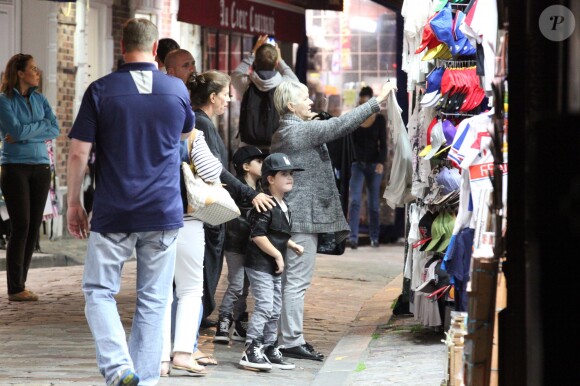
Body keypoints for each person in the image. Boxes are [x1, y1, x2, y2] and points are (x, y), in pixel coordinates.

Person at [66, 18, 195, 386]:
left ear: (121, 48)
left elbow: (78, 153)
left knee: (98, 291)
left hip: (114, 209)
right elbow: (187, 134)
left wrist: (74, 202)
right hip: (163, 210)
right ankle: (146, 378)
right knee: (155, 299)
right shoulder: (176, 90)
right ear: (156, 50)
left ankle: (120, 368)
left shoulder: (101, 90)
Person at [270, 80, 396, 361]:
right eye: (305, 98)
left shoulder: (290, 129)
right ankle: (290, 340)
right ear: (291, 105)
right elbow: (339, 126)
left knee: (291, 281)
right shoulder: (297, 131)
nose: (311, 102)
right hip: (301, 217)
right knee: (296, 282)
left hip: (298, 215)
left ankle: (287, 337)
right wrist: (378, 100)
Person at [188, 70, 275, 364]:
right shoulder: (201, 124)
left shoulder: (201, 123)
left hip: (207, 214)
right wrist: (250, 194)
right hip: (206, 214)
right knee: (200, 284)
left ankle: (187, 343)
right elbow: (214, 171)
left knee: (199, 283)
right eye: (226, 94)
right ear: (212, 98)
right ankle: (186, 345)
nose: (229, 99)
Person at [160, 124, 222, 377]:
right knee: (190, 288)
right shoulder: (191, 135)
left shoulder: (143, 128)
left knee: (158, 291)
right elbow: (211, 170)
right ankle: (183, 353)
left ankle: (160, 359)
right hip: (187, 217)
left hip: (152, 218)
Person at [0, 53, 60, 302]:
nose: (38, 72)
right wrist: (37, 129)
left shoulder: (41, 99)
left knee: (33, 227)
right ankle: (15, 287)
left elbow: (54, 128)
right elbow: (13, 130)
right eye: (33, 68)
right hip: (15, 167)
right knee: (21, 224)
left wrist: (26, 133)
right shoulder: (4, 101)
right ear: (20, 73)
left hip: (41, 167)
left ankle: (21, 284)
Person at [239, 153, 304, 371]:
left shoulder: (285, 206)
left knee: (275, 308)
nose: (290, 178)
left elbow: (277, 234)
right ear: (270, 179)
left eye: (291, 174)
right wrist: (277, 254)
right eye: (284, 174)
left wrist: (291, 245)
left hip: (273, 266)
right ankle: (251, 348)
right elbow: (258, 235)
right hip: (260, 264)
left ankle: (268, 347)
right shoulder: (265, 204)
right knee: (265, 305)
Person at [214, 145, 268, 344]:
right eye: (259, 162)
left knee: (245, 286)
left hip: (252, 245)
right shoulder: (236, 189)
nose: (263, 165)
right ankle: (224, 319)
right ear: (246, 166)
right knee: (236, 284)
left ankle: (239, 321)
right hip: (236, 243)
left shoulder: (261, 189)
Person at [231, 34, 299, 150]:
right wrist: (281, 60)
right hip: (276, 145)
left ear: (255, 62)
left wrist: (252, 53)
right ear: (276, 63)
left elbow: (235, 74)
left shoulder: (246, 83)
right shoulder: (284, 84)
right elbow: (296, 82)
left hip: (250, 147)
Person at [347, 86, 387, 249]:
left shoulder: (379, 119)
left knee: (373, 204)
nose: (364, 106)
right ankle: (353, 237)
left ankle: (374, 237)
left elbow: (383, 144)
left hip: (373, 164)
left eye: (367, 102)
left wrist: (380, 163)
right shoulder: (356, 118)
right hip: (357, 164)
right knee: (355, 201)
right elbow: (350, 142)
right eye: (362, 102)